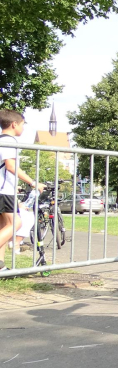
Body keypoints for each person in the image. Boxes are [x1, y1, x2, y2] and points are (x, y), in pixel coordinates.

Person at [0, 111, 44, 271]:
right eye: (23, 125)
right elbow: (11, 166)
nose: (24, 128)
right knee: (16, 223)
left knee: (3, 226)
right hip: (4, 190)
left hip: (4, 189)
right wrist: (33, 182)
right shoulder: (9, 141)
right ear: (14, 124)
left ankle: (0, 266)